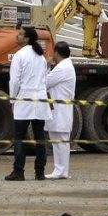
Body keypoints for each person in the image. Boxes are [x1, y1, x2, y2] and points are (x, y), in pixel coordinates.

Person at [6, 26, 51, 181]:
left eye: (20, 34)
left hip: (24, 99)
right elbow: (46, 79)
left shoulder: (19, 56)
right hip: (40, 99)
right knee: (40, 137)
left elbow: (14, 81)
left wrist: (12, 100)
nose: (17, 36)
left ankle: (18, 172)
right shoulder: (41, 57)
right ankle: (40, 172)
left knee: (19, 137)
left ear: (27, 38)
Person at [45, 41, 76, 179]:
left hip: (60, 110)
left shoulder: (62, 68)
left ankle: (61, 171)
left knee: (60, 141)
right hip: (59, 109)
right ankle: (60, 170)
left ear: (56, 52)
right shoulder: (65, 66)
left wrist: (46, 66)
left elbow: (45, 82)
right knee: (58, 141)